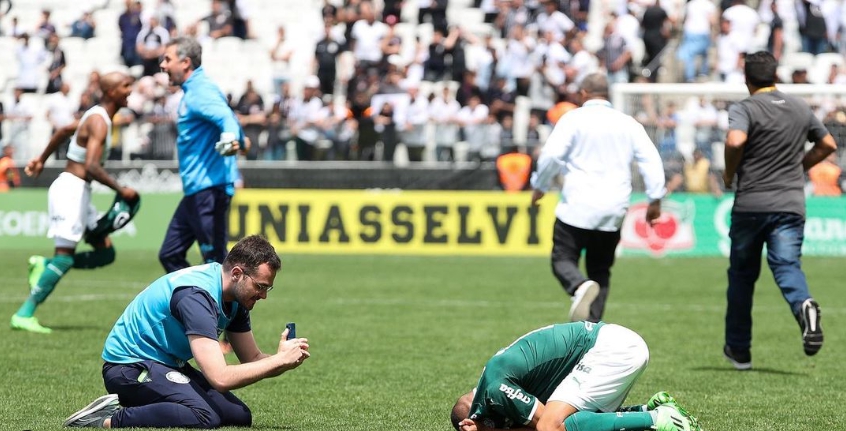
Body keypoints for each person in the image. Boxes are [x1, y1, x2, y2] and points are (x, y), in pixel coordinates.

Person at [62, 235, 310, 428]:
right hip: (129, 367)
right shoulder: (196, 297)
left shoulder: (235, 298)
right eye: (260, 286)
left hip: (168, 364)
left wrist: (283, 360)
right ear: (237, 274)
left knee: (239, 416)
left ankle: (151, 401)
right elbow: (220, 378)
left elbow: (253, 360)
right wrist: (278, 361)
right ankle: (108, 418)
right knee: (205, 416)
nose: (264, 295)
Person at [722, 51, 837, 370]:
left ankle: (739, 350)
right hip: (790, 204)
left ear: (747, 79)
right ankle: (804, 306)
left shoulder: (745, 107)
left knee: (742, 277)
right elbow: (828, 145)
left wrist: (729, 173)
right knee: (787, 266)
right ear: (776, 76)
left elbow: (735, 140)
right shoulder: (800, 107)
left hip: (751, 204)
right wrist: (799, 166)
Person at [10, 72, 139, 334]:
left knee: (105, 252)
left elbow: (64, 131)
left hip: (79, 190)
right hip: (71, 190)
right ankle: (24, 313)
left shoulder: (95, 116)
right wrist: (120, 189)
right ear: (111, 91)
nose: (130, 91)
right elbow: (91, 166)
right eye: (125, 86)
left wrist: (41, 159)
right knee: (65, 257)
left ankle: (47, 266)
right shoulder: (100, 122)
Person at [530, 73, 665, 323]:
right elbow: (651, 160)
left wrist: (540, 185)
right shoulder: (628, 123)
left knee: (562, 259)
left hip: (577, 205)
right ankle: (590, 329)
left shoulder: (573, 119)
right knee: (601, 270)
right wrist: (654, 199)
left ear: (583, 94)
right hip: (613, 209)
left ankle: (579, 286)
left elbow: (551, 156)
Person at [450, 321, 702, 431]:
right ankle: (647, 408)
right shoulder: (492, 383)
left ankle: (658, 419)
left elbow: (545, 425)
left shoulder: (496, 391)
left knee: (551, 425)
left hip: (611, 349)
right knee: (566, 419)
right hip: (612, 343)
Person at [157, 36, 247, 273]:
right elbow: (230, 118)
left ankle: (230, 311)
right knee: (170, 254)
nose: (162, 65)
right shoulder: (196, 90)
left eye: (168, 59)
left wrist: (230, 138)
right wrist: (239, 138)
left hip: (208, 189)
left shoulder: (199, 91)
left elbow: (226, 119)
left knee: (217, 264)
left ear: (185, 63)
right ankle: (196, 304)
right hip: (197, 190)